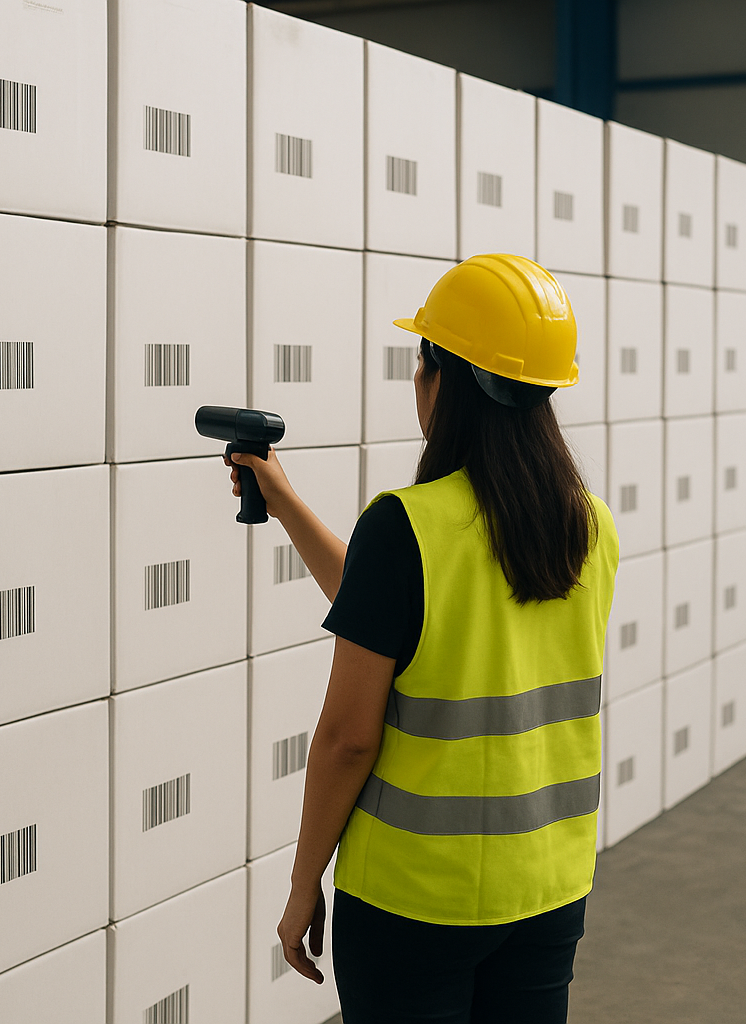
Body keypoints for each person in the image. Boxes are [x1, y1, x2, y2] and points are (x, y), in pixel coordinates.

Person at [224, 253, 619, 1024]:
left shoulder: (408, 525)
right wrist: (288, 503)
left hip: (414, 898)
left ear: (446, 379)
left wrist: (306, 882)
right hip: (545, 887)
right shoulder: (587, 524)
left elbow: (346, 739)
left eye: (421, 361)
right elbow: (412, 622)